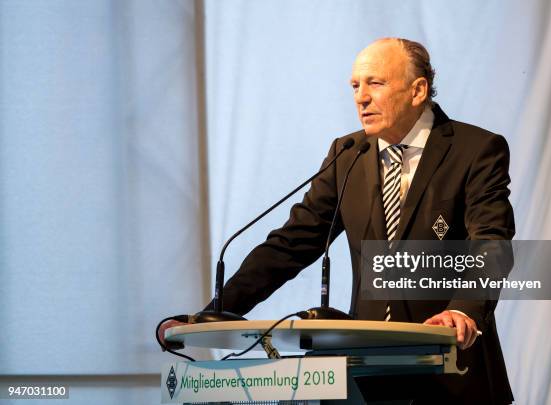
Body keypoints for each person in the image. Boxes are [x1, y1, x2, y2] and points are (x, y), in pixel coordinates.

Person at [162, 38, 515, 404]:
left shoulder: (475, 149)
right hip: (365, 375)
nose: (361, 97)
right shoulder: (348, 154)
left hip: (453, 373)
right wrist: (215, 313)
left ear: (417, 90)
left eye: (375, 83)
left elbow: (491, 241)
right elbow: (292, 244)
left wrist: (463, 309)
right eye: (355, 86)